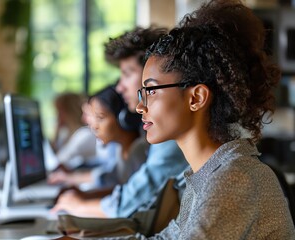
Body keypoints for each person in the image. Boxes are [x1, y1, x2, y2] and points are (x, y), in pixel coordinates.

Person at [130, 0, 295, 238]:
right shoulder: (209, 173)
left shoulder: (233, 178)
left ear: (196, 97)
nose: (139, 106)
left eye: (151, 91)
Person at [51, 27, 189, 220]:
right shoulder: (151, 134)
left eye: (127, 73)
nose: (119, 86)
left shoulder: (170, 132)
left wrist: (80, 205)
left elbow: (141, 191)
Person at [48, 85, 149, 191]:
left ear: (124, 118)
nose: (94, 126)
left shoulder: (139, 151)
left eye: (100, 117)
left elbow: (134, 197)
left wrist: (81, 203)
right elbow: (113, 178)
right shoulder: (121, 150)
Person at [49, 92, 97, 170]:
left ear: (69, 112)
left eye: (59, 112)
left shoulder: (85, 134)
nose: (57, 116)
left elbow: (58, 161)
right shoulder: (66, 134)